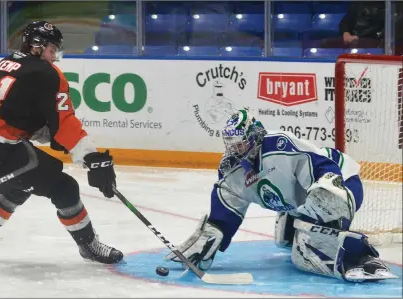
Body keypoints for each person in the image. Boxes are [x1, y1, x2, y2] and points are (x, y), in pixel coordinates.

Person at [165, 109, 398, 282]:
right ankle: (311, 228)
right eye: (231, 145)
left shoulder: (279, 144)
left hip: (340, 182)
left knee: (305, 253)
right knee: (284, 238)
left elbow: (321, 164)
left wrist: (329, 186)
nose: (235, 150)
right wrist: (214, 230)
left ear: (254, 135)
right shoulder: (233, 170)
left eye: (240, 144)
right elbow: (227, 200)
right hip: (303, 199)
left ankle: (361, 257)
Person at [0, 20, 123, 264]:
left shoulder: (8, 62)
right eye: (52, 49)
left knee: (19, 186)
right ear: (37, 46)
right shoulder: (47, 73)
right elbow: (63, 121)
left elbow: (18, 114)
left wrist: (58, 139)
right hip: (2, 153)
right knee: (64, 187)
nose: (55, 57)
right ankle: (89, 246)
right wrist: (90, 157)